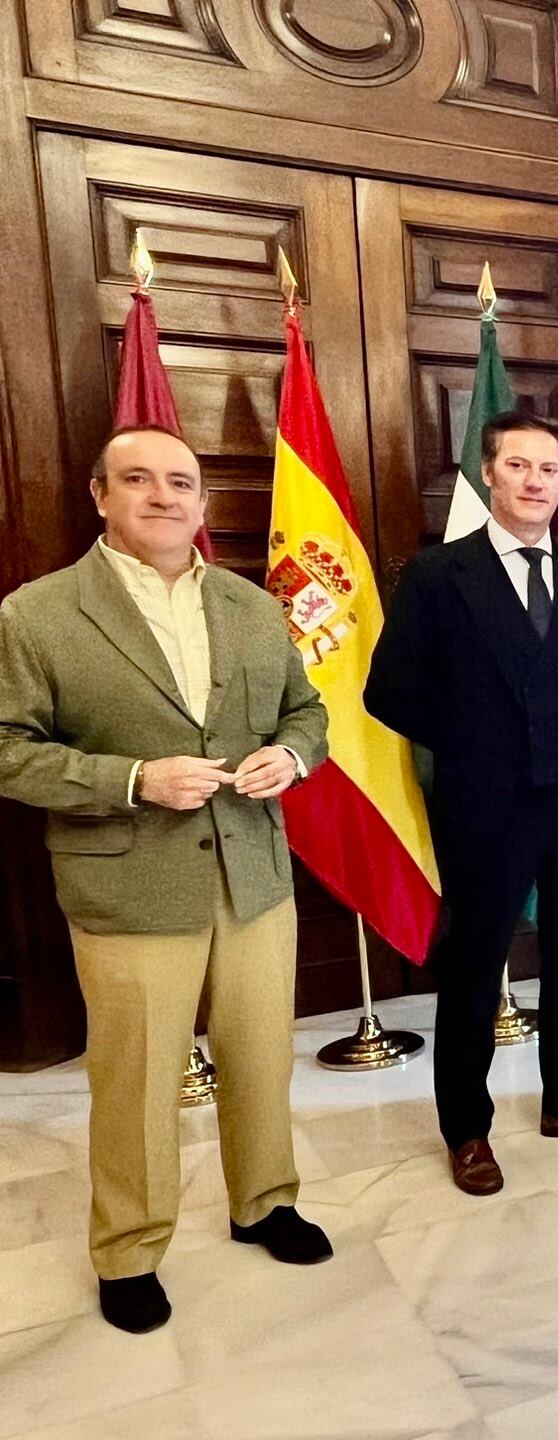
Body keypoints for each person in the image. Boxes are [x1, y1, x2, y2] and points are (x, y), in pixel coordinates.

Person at [0, 426, 332, 1333]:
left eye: (181, 482)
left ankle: (265, 1202)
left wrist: (292, 756)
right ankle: (130, 1249)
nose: (163, 495)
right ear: (100, 495)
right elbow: (8, 750)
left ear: (202, 502)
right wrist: (133, 780)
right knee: (139, 1077)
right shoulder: (38, 613)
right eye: (138, 479)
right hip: (129, 885)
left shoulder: (251, 605)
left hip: (252, 874)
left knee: (262, 1054)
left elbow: (306, 711)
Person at [366, 410, 558, 1197]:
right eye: (518, 466)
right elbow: (388, 691)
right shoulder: (438, 576)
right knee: (475, 968)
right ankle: (467, 1130)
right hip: (488, 808)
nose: (534, 482)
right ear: (489, 474)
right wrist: (474, 739)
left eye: (548, 469)